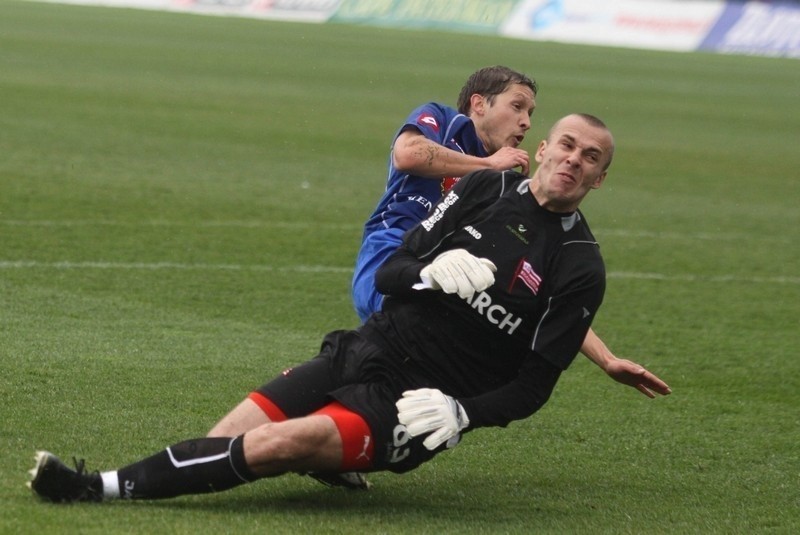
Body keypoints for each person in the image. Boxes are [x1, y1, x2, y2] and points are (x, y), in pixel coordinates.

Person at [28, 114, 671, 504]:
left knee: (281, 442)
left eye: (590, 158)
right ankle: (332, 465)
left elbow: (534, 386)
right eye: (566, 145)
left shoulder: (581, 265)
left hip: (418, 398)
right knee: (226, 442)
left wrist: (460, 413)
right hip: (370, 346)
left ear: (599, 179)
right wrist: (428, 272)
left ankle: (95, 487)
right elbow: (390, 273)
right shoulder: (484, 187)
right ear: (548, 147)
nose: (572, 160)